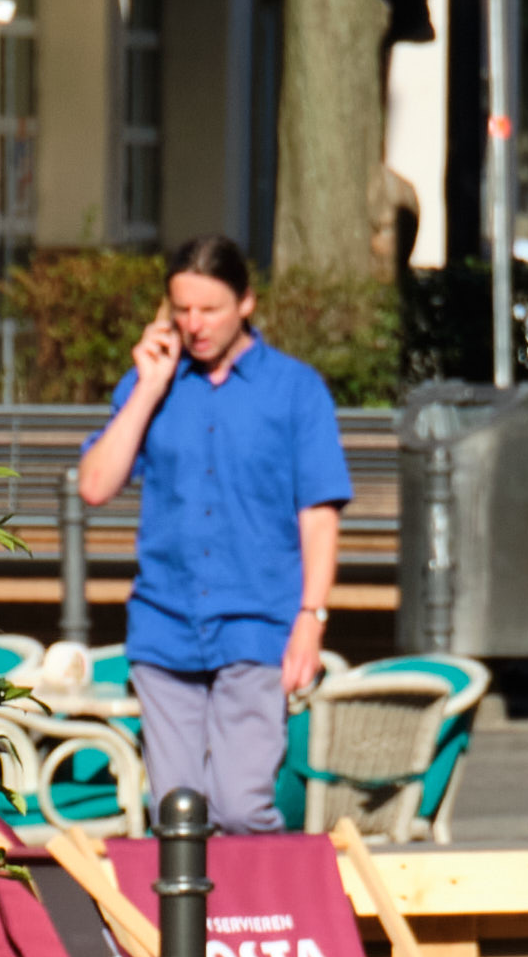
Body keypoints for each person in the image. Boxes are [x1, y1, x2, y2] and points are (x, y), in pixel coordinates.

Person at [69, 233, 348, 831]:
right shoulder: (153, 384)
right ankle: (187, 930)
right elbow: (94, 485)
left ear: (246, 302)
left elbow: (319, 516)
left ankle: (266, 922)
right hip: (165, 630)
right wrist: (146, 388)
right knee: (179, 821)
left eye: (210, 309)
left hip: (256, 627)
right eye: (182, 309)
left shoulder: (295, 390)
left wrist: (311, 616)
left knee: (242, 811)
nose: (195, 324)